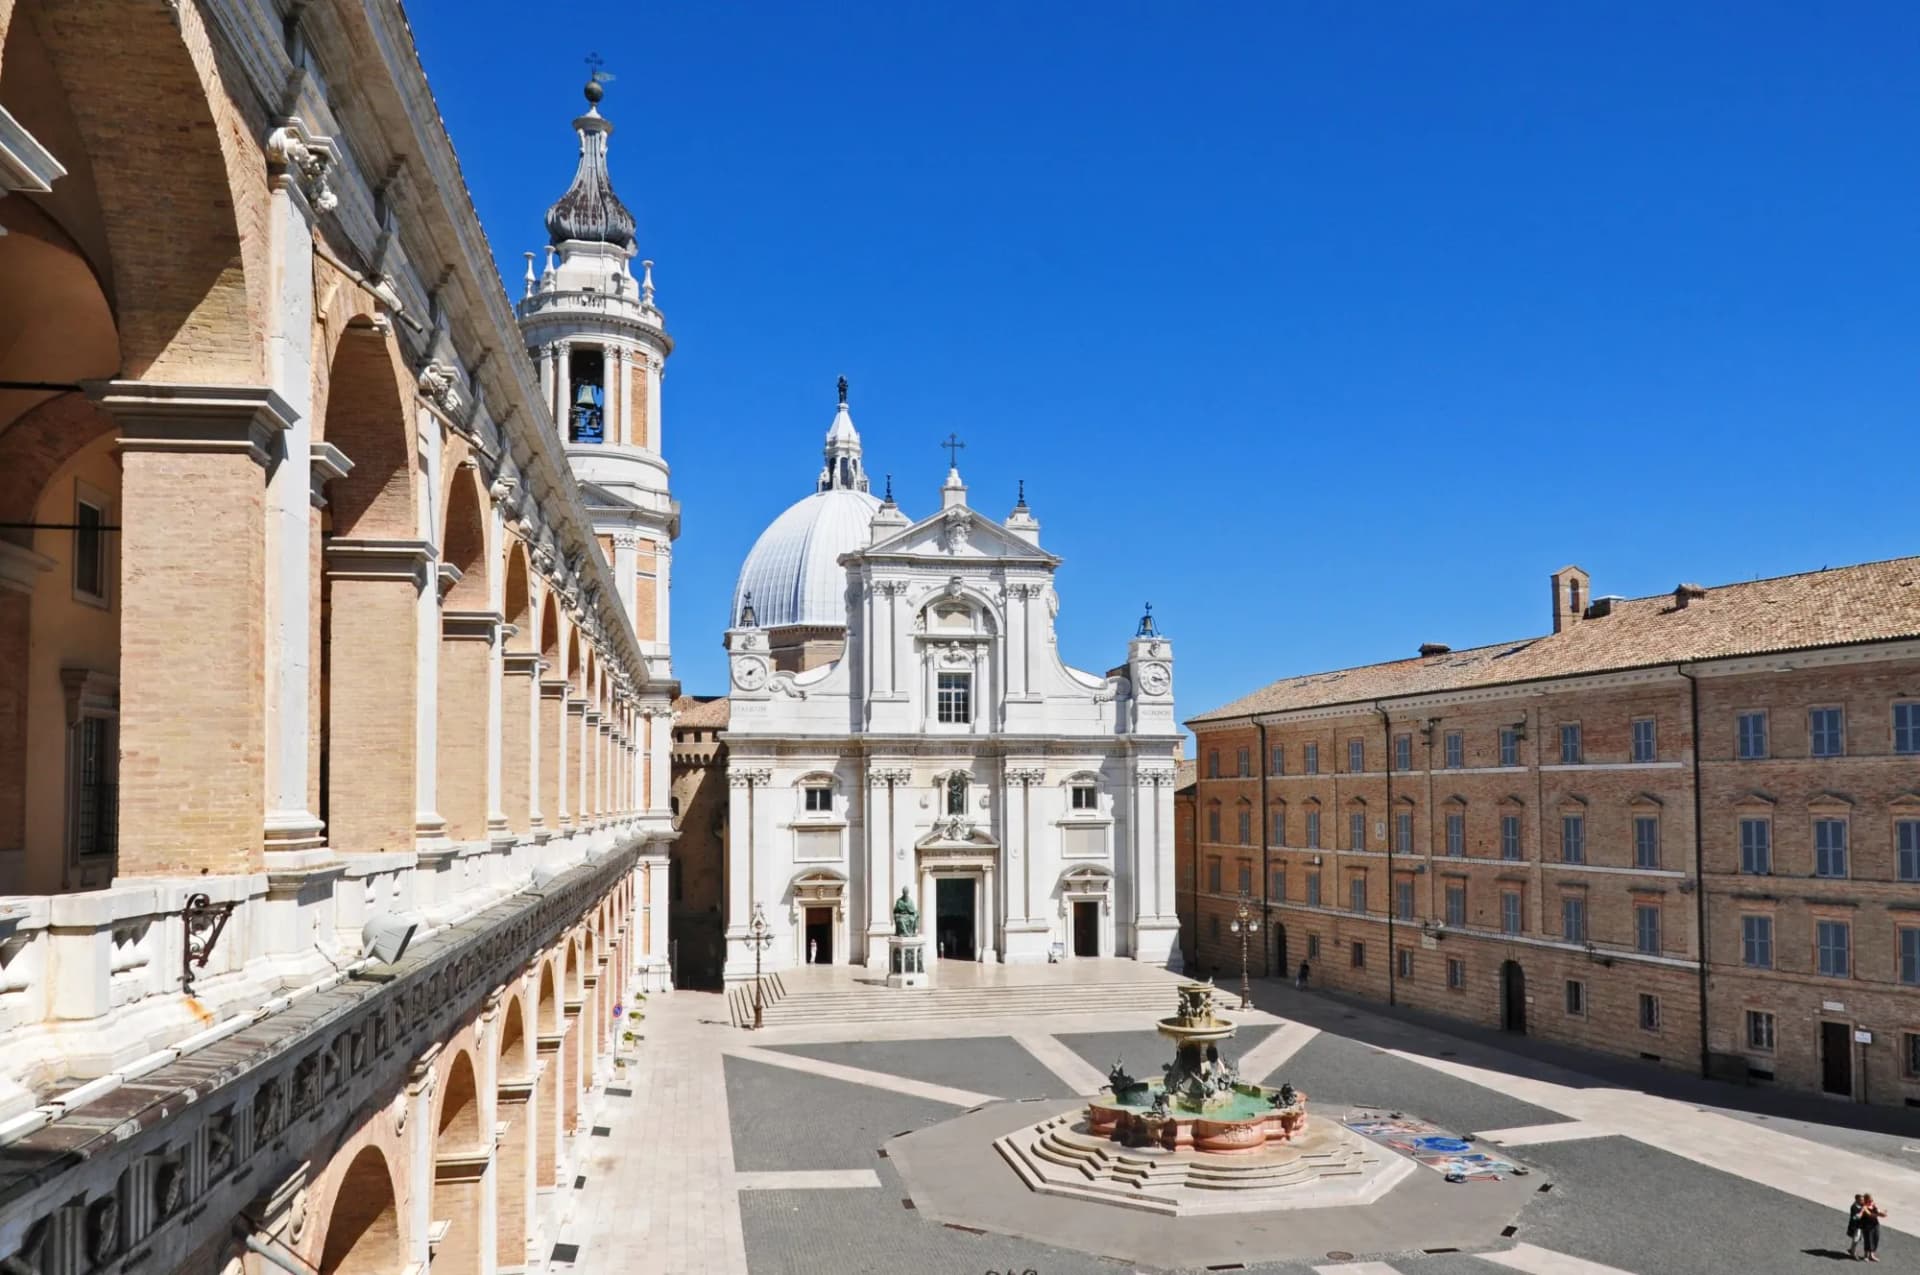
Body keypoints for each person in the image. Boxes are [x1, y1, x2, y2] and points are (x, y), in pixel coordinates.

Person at [1859, 1193, 1885, 1262]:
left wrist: (1883, 1213)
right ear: (1866, 1200)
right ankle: (1866, 1256)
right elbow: (1869, 1214)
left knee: (1875, 1239)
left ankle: (1872, 1255)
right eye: (1869, 1200)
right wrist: (1879, 1215)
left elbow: (1878, 1211)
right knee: (1868, 1240)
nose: (1871, 1201)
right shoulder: (1864, 1207)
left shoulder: (1873, 1205)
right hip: (1867, 1226)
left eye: (1872, 1200)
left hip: (1875, 1225)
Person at [1848, 1194, 1864, 1260]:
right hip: (1856, 1226)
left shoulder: (1862, 1205)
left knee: (1857, 1238)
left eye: (1863, 1200)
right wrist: (1862, 1211)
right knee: (1856, 1239)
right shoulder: (1854, 1207)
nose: (1862, 1201)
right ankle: (1853, 1252)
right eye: (1861, 1200)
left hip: (1860, 1225)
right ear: (1857, 1200)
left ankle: (1852, 1249)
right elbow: (1856, 1217)